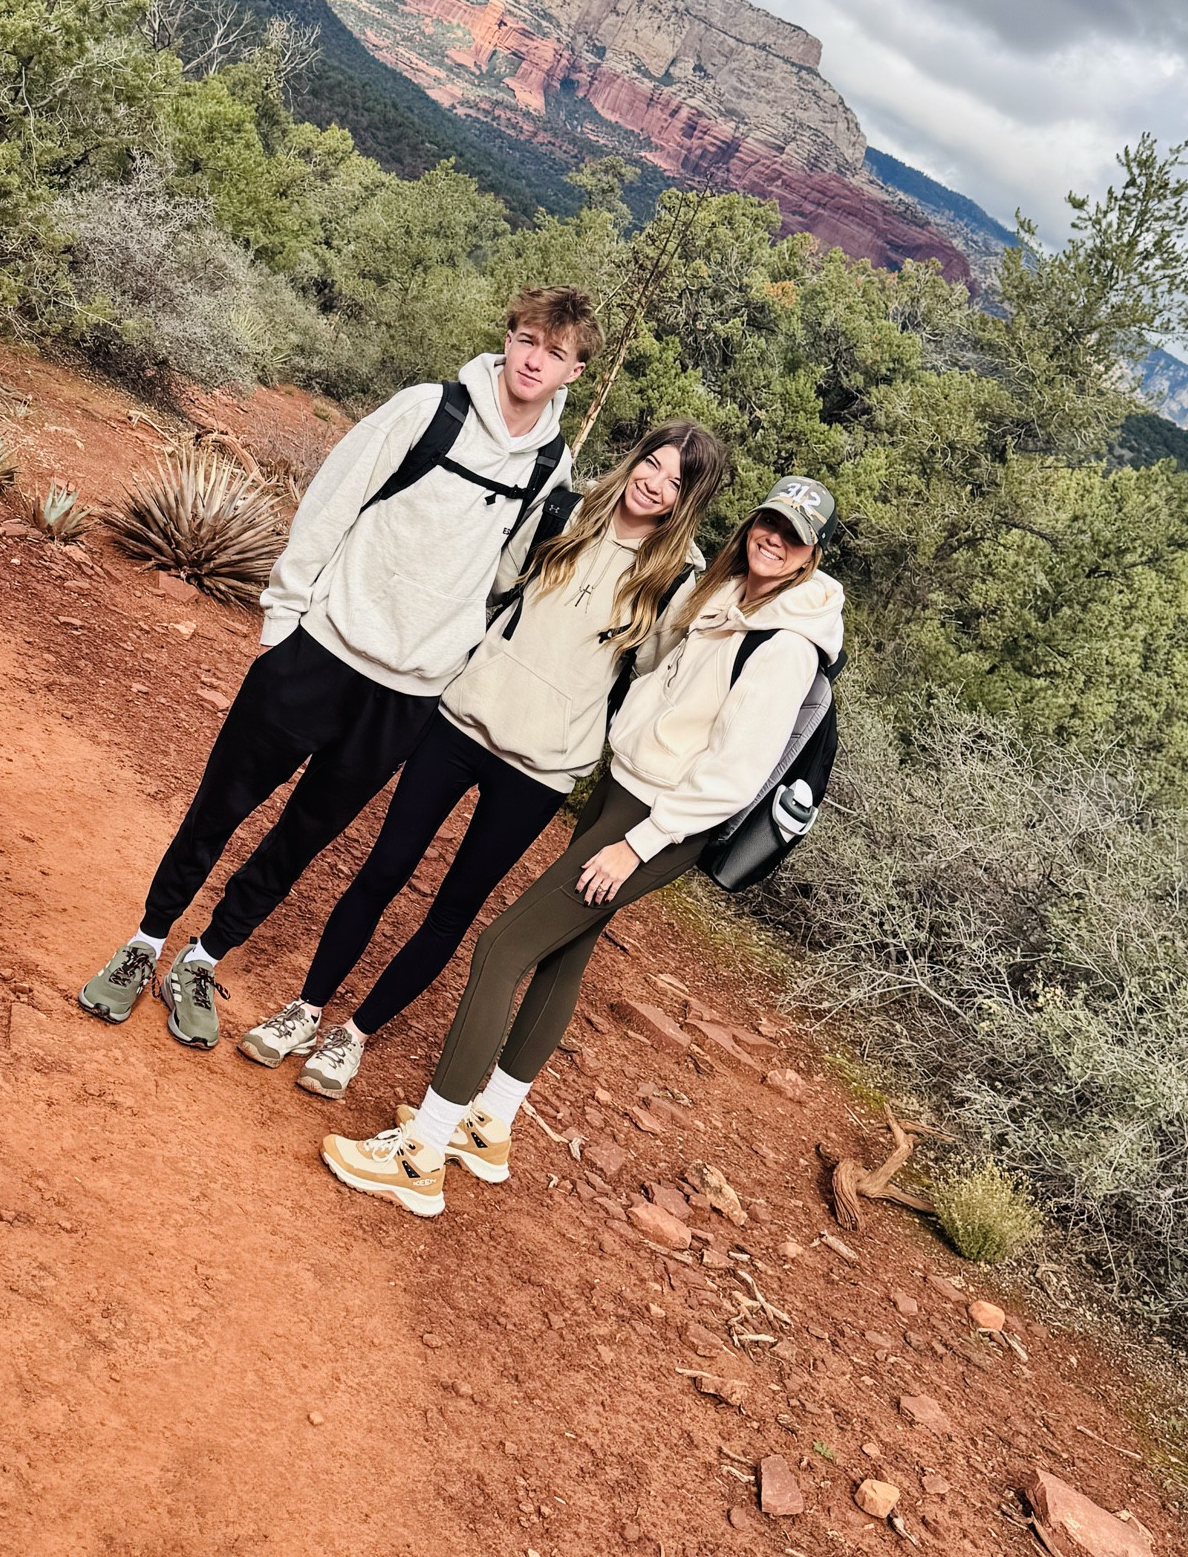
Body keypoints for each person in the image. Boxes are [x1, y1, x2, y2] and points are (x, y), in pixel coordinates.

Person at [79, 287, 603, 1048]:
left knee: (301, 838)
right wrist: (283, 623)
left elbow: (502, 577)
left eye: (555, 352)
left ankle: (205, 957)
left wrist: (450, 653)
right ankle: (145, 942)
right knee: (220, 806)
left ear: (575, 372)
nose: (534, 359)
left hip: (408, 694)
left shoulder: (551, 467)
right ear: (509, 337)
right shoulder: (429, 410)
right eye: (527, 339)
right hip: (319, 651)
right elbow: (333, 500)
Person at [320, 475, 845, 1216]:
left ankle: (422, 1153)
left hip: (658, 818)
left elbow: (733, 776)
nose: (773, 539)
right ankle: (489, 1125)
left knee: (503, 947)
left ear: (808, 556)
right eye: (769, 522)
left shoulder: (786, 644)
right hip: (628, 789)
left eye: (792, 536)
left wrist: (640, 844)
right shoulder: (732, 601)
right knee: (565, 952)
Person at [235, 420, 730, 1097]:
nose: (656, 485)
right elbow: (494, 586)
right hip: (461, 721)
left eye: (677, 483)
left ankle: (353, 1037)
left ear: (688, 501)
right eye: (655, 464)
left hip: (542, 769)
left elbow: (652, 673)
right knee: (382, 869)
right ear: (636, 458)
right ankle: (308, 1007)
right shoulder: (565, 509)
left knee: (453, 910)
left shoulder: (677, 580)